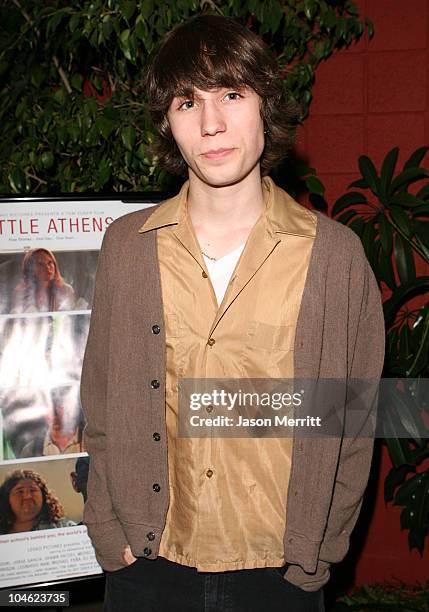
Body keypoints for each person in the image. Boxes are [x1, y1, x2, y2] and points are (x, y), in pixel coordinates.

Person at [80, 14, 385, 612]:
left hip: (279, 571)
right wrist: (107, 530)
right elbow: (103, 398)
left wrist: (320, 550)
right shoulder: (128, 246)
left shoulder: (333, 257)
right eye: (187, 101)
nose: (211, 123)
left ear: (264, 105)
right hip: (147, 563)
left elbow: (352, 420)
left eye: (232, 94)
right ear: (168, 121)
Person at [0, 469, 76, 534]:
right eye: (20, 491)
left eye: (32, 490)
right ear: (7, 498)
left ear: (43, 496)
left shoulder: (65, 528)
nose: (27, 496)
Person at [20, 385, 85, 458]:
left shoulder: (90, 440)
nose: (54, 414)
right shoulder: (30, 450)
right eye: (49, 407)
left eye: (59, 405)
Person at [12, 248, 76, 313]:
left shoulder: (66, 290)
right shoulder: (21, 293)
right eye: (40, 264)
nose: (48, 268)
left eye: (50, 262)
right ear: (30, 268)